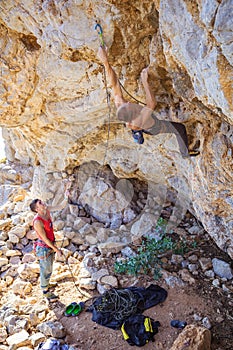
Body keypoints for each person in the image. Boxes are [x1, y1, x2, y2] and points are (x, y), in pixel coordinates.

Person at [97, 46, 199, 158]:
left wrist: (105, 62)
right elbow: (152, 104)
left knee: (133, 117)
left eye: (127, 104)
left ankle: (137, 133)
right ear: (132, 115)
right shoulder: (137, 121)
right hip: (154, 127)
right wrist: (145, 81)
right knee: (180, 128)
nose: (129, 103)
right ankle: (185, 154)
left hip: (139, 123)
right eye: (129, 106)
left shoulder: (121, 104)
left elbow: (114, 84)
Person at [30, 197, 68, 301]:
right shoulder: (37, 222)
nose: (43, 203)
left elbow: (61, 206)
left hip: (50, 244)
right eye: (40, 203)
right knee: (45, 269)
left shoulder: (46, 210)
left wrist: (66, 194)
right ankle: (45, 292)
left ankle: (46, 283)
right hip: (44, 247)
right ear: (37, 209)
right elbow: (45, 239)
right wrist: (57, 249)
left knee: (49, 267)